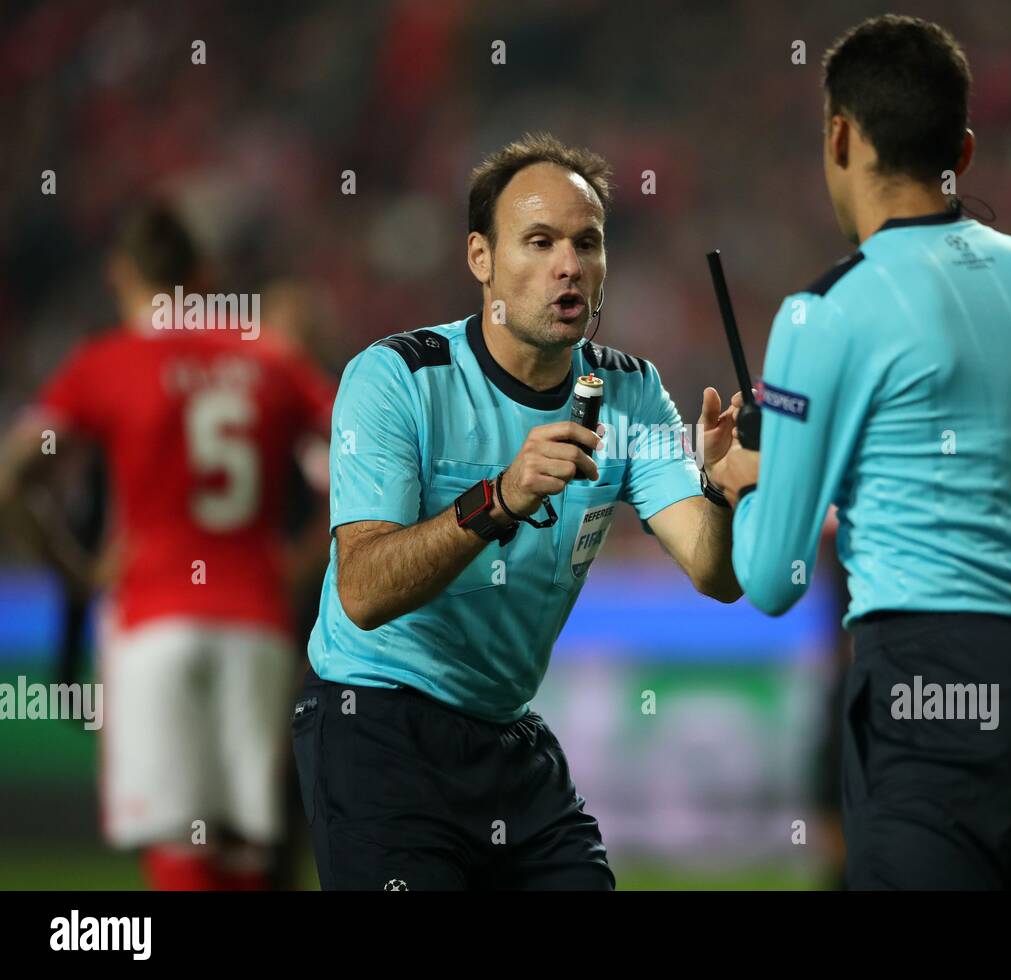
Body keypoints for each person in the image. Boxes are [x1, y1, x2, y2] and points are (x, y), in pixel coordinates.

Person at [709, 15, 1011, 889]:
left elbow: (775, 580)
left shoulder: (827, 310)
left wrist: (745, 485)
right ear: (962, 150)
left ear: (841, 135)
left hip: (930, 699)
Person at [293, 133, 743, 891]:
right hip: (374, 725)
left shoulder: (633, 391)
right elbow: (362, 592)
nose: (569, 264)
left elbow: (714, 571)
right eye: (539, 241)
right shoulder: (398, 377)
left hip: (507, 738)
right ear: (482, 259)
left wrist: (727, 492)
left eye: (587, 242)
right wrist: (498, 498)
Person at [0, 204, 335, 890]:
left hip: (153, 619)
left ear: (120, 274)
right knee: (246, 851)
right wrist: (305, 559)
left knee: (179, 848)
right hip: (257, 627)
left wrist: (77, 569)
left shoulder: (106, 362)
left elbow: (12, 478)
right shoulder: (271, 359)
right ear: (207, 278)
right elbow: (364, 458)